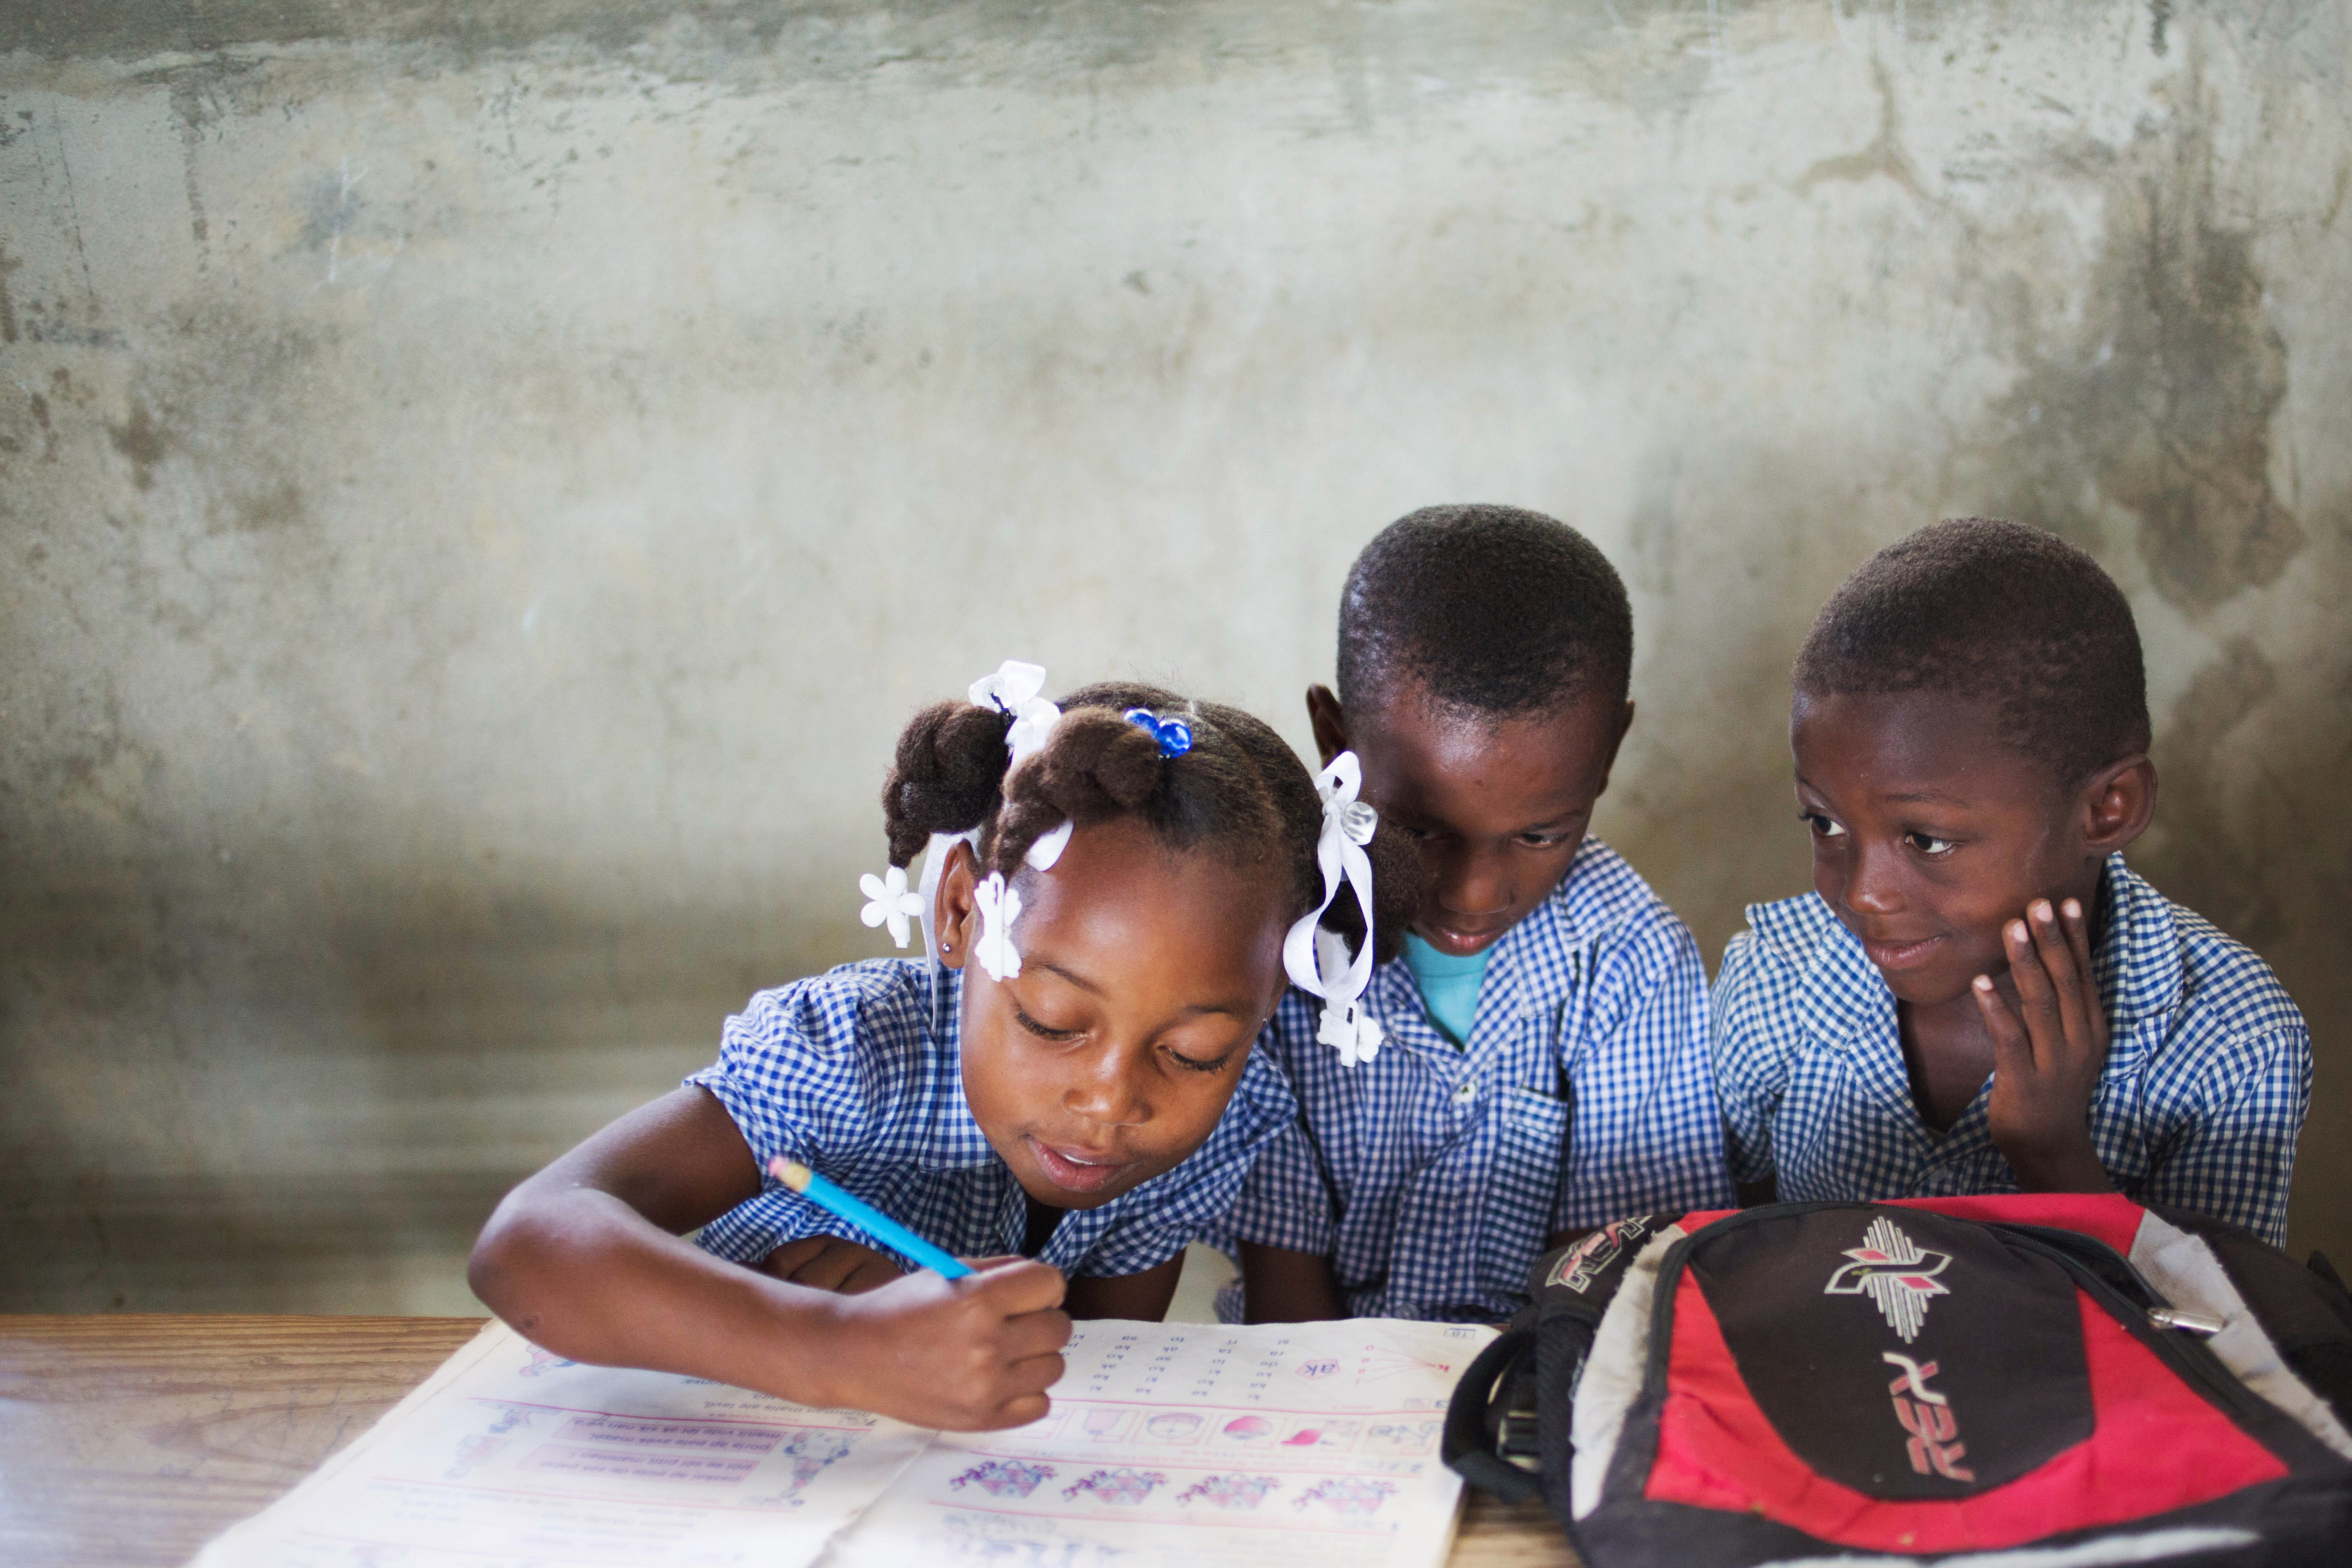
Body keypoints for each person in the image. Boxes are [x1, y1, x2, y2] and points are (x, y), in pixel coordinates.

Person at [469, 667, 1423, 1430]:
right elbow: (525, 1245)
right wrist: (835, 1343)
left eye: (1195, 1051)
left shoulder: (1213, 1130)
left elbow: (1075, 1380)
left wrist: (999, 1351)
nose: (1110, 1098)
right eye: (1053, 1021)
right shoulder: (850, 1052)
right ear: (963, 909)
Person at [1713, 518, 2310, 1244]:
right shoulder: (1773, 980)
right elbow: (1725, 1255)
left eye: (1927, 839)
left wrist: (2050, 1150)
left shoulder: (2228, 1039)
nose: (1863, 893)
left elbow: (2211, 1340)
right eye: (1824, 824)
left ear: (2105, 808)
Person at [1225, 505, 1734, 1324]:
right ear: (1333, 740)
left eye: (1539, 834)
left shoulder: (1630, 957)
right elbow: (1280, 1262)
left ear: (1607, 753)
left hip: (1535, 1374)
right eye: (1422, 829)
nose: (1471, 892)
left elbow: (1602, 1276)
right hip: (1312, 1379)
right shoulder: (1281, 942)